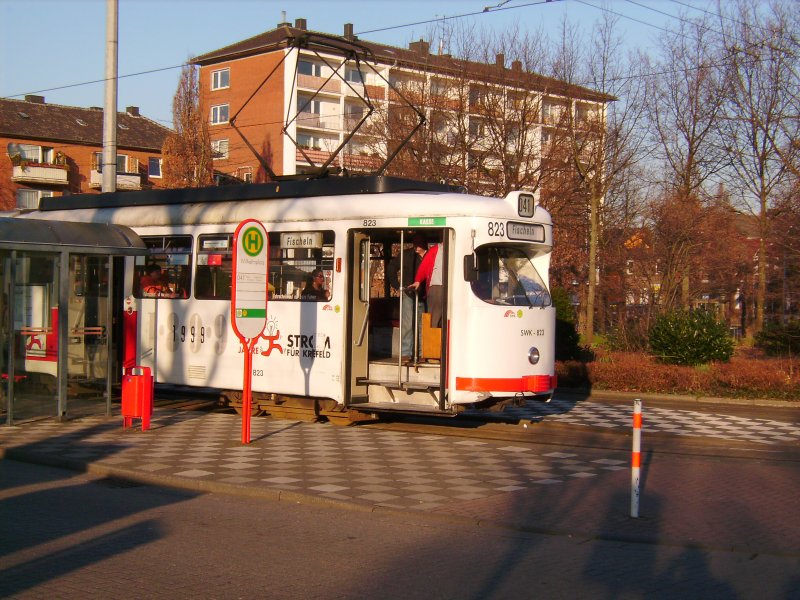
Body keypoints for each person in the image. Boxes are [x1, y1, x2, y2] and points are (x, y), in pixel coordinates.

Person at [387, 233, 427, 361]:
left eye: (419, 242)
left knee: (422, 325)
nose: (416, 246)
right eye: (415, 242)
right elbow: (391, 268)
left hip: (424, 295)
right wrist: (397, 285)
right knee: (408, 323)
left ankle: (420, 353)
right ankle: (405, 353)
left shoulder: (429, 256)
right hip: (409, 293)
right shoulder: (406, 255)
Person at [409, 241, 443, 327]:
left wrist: (418, 280)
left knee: (434, 321)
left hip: (437, 287)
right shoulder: (436, 249)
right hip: (441, 286)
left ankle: (434, 339)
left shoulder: (435, 249)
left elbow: (424, 266)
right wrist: (418, 280)